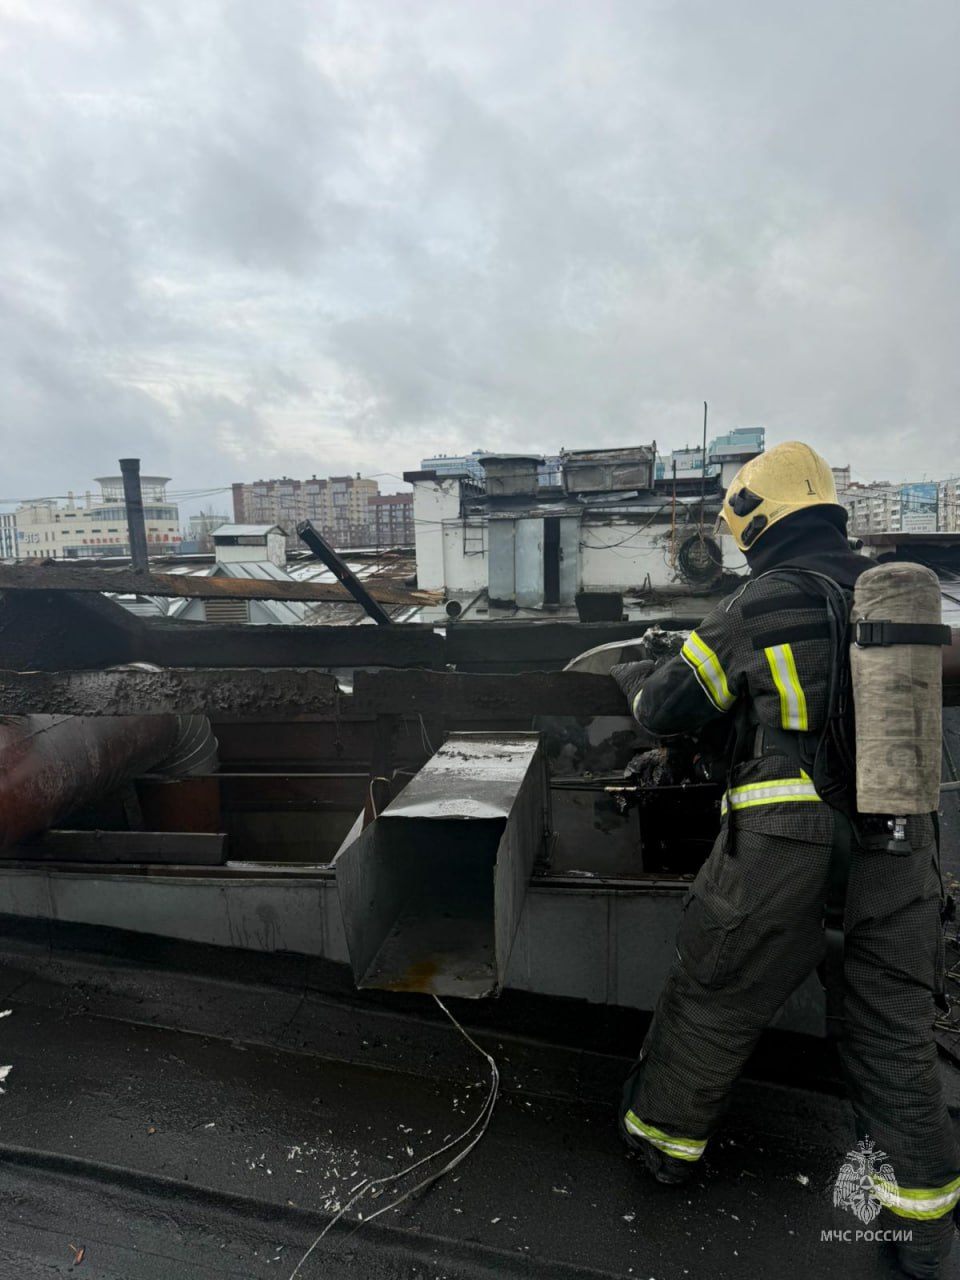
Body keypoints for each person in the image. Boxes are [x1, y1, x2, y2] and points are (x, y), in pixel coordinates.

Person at [610, 441, 958, 1280]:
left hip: (783, 843)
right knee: (896, 1035)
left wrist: (637, 677)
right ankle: (925, 1233)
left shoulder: (756, 604)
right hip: (902, 846)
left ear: (758, 523)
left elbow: (665, 707)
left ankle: (663, 1152)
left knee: (714, 998)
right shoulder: (899, 603)